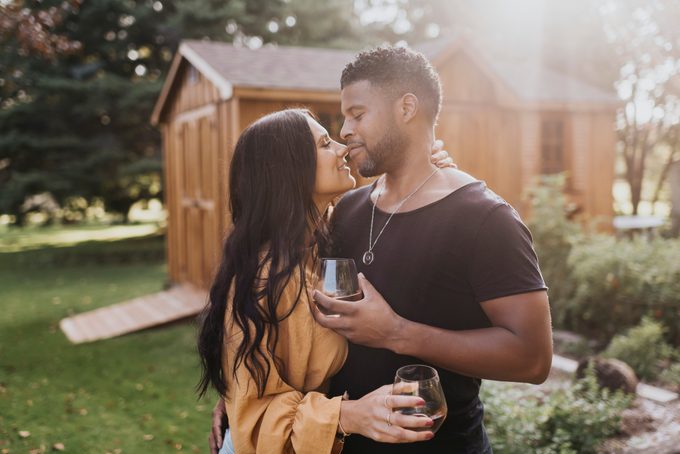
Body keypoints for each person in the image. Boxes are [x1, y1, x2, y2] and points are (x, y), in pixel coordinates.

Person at [308, 46, 553, 453]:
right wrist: (245, 393)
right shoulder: (346, 208)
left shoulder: (486, 219)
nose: (345, 131)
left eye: (358, 114)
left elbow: (533, 359)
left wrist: (396, 333)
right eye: (345, 116)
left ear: (407, 108)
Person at [198, 108, 454, 454]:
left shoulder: (318, 239)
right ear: (289, 170)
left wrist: (422, 171)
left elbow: (385, 203)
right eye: (324, 143)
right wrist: (350, 416)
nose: (342, 147)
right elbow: (255, 418)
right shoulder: (263, 279)